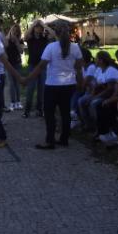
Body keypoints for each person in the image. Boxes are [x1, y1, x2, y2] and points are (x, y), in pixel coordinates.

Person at [24, 22, 84, 150]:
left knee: (50, 113)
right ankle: (64, 139)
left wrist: (28, 79)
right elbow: (79, 68)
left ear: (55, 34)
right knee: (65, 112)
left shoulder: (51, 47)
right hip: (69, 84)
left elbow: (41, 66)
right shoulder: (75, 47)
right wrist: (81, 83)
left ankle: (49, 141)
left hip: (53, 85)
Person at [82, 51, 118, 132]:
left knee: (94, 103)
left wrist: (95, 97)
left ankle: (99, 128)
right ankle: (89, 124)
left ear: (101, 61)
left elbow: (110, 89)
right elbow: (95, 85)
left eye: (96, 58)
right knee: (82, 101)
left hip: (108, 95)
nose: (94, 60)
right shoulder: (99, 69)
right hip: (99, 92)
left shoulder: (111, 70)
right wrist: (92, 95)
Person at [23, 21, 50, 118]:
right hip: (32, 66)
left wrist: (43, 24)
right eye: (37, 27)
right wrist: (33, 24)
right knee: (30, 88)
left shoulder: (44, 38)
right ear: (34, 28)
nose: (39, 28)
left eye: (40, 27)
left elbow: (54, 34)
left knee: (41, 89)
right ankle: (27, 111)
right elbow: (25, 36)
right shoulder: (30, 38)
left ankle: (40, 110)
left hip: (42, 66)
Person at [70, 47, 96, 128]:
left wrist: (78, 84)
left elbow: (84, 83)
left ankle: (75, 115)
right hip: (86, 89)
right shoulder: (82, 67)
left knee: (77, 94)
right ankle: (74, 115)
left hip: (92, 91)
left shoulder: (91, 67)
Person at [4, 24, 24, 111]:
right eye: (13, 30)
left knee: (17, 84)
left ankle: (18, 102)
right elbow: (4, 50)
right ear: (11, 31)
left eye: (17, 31)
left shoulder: (20, 40)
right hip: (9, 64)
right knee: (11, 84)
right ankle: (12, 102)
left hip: (17, 64)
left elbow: (21, 51)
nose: (15, 32)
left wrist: (17, 42)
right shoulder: (6, 40)